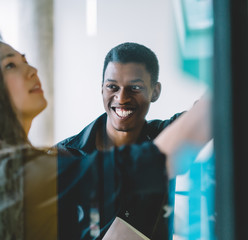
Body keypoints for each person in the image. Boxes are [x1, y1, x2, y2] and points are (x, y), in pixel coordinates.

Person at [0, 32, 211, 240]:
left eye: (25, 61)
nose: (31, 70)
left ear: (155, 91)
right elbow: (145, 164)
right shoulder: (17, 175)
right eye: (10, 66)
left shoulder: (3, 173)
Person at [56, 42, 187, 239]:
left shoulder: (165, 137)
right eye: (112, 86)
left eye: (135, 87)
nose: (122, 97)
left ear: (155, 91)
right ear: (102, 89)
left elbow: (215, 108)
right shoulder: (65, 156)